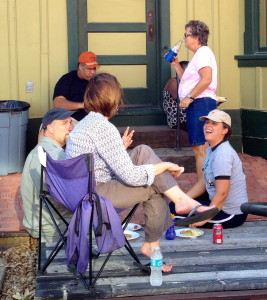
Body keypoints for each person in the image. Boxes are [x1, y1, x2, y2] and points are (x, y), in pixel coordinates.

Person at [65, 72, 216, 272]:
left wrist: (119, 147)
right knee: (155, 187)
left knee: (142, 151)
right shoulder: (103, 127)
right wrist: (163, 166)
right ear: (113, 99)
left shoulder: (85, 123)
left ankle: (179, 201)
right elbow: (132, 176)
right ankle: (153, 243)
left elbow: (101, 162)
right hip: (96, 194)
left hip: (82, 189)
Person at [170, 109, 248, 229]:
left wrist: (203, 219)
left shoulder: (223, 154)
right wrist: (182, 199)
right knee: (173, 206)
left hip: (230, 213)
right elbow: (203, 182)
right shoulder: (212, 149)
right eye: (207, 122)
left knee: (172, 217)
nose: (208, 126)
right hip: (216, 203)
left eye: (214, 124)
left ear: (225, 130)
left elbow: (222, 193)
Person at [169, 20, 217, 180]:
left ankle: (202, 188)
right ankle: (205, 187)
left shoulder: (203, 53)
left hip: (199, 103)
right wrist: (176, 65)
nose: (184, 38)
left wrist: (189, 97)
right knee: (201, 148)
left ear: (196, 37)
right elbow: (189, 82)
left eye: (186, 35)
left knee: (200, 149)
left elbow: (206, 79)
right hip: (199, 103)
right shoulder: (200, 55)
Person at [21, 108, 75, 241]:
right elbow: (67, 198)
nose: (70, 128)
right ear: (50, 128)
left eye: (70, 123)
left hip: (37, 223)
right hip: (54, 227)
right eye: (64, 123)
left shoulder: (37, 150)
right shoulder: (56, 155)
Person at [53, 51, 100, 121]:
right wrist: (82, 105)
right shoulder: (67, 79)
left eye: (94, 68)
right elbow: (58, 103)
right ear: (80, 66)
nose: (92, 72)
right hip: (72, 119)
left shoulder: (98, 80)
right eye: (89, 68)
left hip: (94, 119)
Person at [163, 61, 189, 129]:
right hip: (178, 119)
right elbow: (179, 99)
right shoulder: (173, 82)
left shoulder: (188, 83)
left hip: (188, 116)